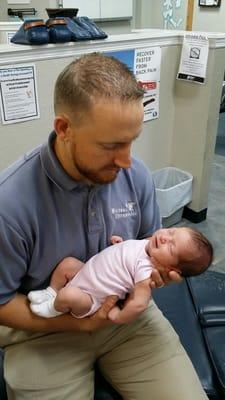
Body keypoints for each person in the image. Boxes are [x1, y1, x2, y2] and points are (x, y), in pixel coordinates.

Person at [0, 52, 209, 400]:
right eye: (111, 145)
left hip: (127, 323)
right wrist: (78, 322)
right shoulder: (10, 204)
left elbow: (145, 245)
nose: (127, 161)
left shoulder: (135, 175)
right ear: (65, 129)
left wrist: (155, 274)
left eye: (132, 141)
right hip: (45, 329)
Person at [28, 227, 213, 324]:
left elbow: (140, 303)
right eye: (172, 232)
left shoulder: (146, 271)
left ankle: (52, 308)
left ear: (173, 269)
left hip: (90, 298)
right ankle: (51, 291)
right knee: (68, 263)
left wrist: (118, 316)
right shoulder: (148, 246)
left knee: (68, 295)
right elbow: (128, 257)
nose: (165, 237)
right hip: (84, 272)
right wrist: (120, 245)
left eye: (171, 247)